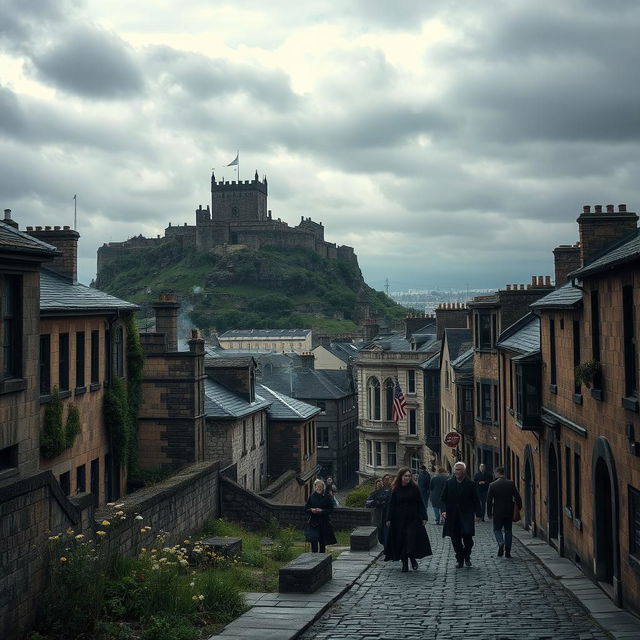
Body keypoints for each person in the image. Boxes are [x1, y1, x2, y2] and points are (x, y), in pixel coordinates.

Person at [384, 467, 432, 572]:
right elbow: (391, 505)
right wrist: (388, 519)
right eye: (405, 476)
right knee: (402, 541)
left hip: (413, 519)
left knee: (410, 540)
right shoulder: (395, 489)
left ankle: (412, 558)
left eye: (409, 476)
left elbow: (420, 503)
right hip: (399, 520)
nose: (407, 478)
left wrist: (424, 517)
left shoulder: (415, 488)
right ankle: (405, 564)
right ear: (401, 477)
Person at [441, 461, 482, 568]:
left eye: (459, 470)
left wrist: (478, 514)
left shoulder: (471, 484)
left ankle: (467, 555)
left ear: (464, 471)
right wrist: (444, 510)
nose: (457, 472)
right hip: (452, 515)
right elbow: (443, 499)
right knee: (455, 539)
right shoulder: (449, 483)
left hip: (467, 515)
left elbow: (476, 500)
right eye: (456, 470)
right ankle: (459, 559)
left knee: (468, 538)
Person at [487, 466, 523, 558]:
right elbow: (517, 497)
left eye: (495, 473)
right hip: (508, 511)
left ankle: (500, 542)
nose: (494, 474)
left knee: (497, 529)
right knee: (508, 531)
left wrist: (489, 513)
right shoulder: (510, 483)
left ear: (498, 473)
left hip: (497, 512)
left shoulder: (492, 485)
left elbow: (489, 500)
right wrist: (519, 507)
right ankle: (508, 551)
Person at [305, 479, 337, 552]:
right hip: (314, 522)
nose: (319, 488)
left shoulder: (327, 497)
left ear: (323, 488)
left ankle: (322, 557)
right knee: (313, 539)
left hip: (324, 522)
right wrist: (312, 510)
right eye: (317, 486)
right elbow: (306, 509)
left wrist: (322, 511)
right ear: (315, 487)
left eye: (320, 487)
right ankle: (314, 555)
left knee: (322, 541)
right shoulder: (312, 497)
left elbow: (331, 509)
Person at [366, 478, 390, 544]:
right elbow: (368, 503)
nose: (379, 485)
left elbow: (386, 500)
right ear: (376, 485)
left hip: (384, 512)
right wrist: (377, 502)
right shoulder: (373, 493)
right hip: (377, 513)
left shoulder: (386, 492)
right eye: (378, 483)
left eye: (380, 483)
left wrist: (380, 501)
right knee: (378, 528)